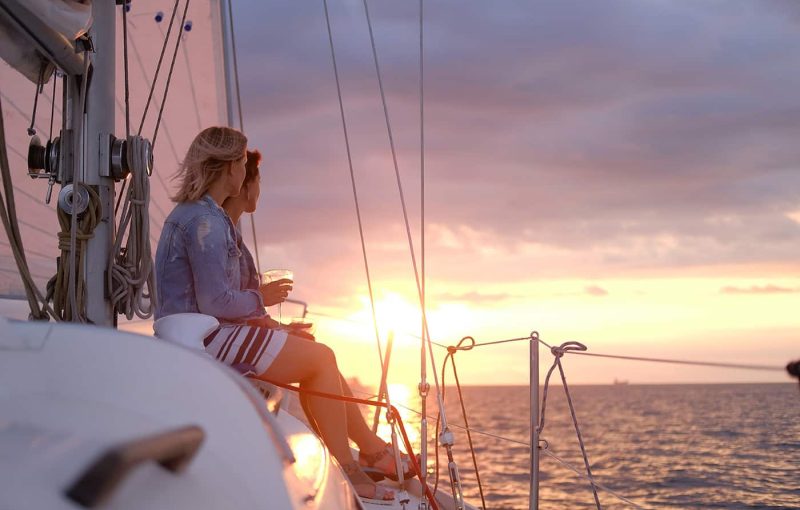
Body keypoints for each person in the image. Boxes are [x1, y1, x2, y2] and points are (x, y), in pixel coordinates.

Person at [154, 128, 403, 501]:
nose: (243, 172)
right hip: (206, 338)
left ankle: (368, 451)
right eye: (241, 163)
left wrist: (275, 325)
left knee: (319, 357)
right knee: (321, 360)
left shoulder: (199, 216)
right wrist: (263, 298)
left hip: (198, 334)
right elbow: (215, 303)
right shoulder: (206, 221)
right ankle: (352, 468)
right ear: (230, 170)